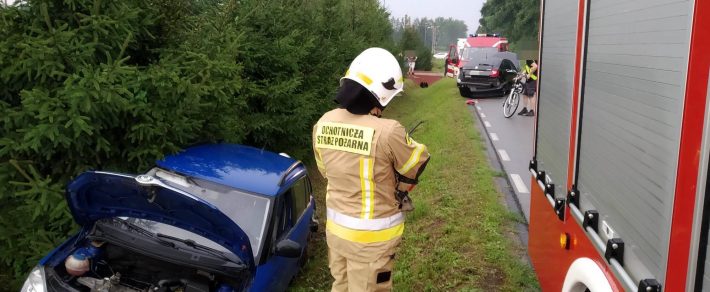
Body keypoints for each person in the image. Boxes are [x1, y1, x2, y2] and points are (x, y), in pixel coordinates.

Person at [313, 47, 431, 292]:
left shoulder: (323, 123)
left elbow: (326, 171)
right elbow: (417, 162)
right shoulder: (388, 131)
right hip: (372, 244)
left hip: (337, 235)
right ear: (381, 94)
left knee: (341, 286)